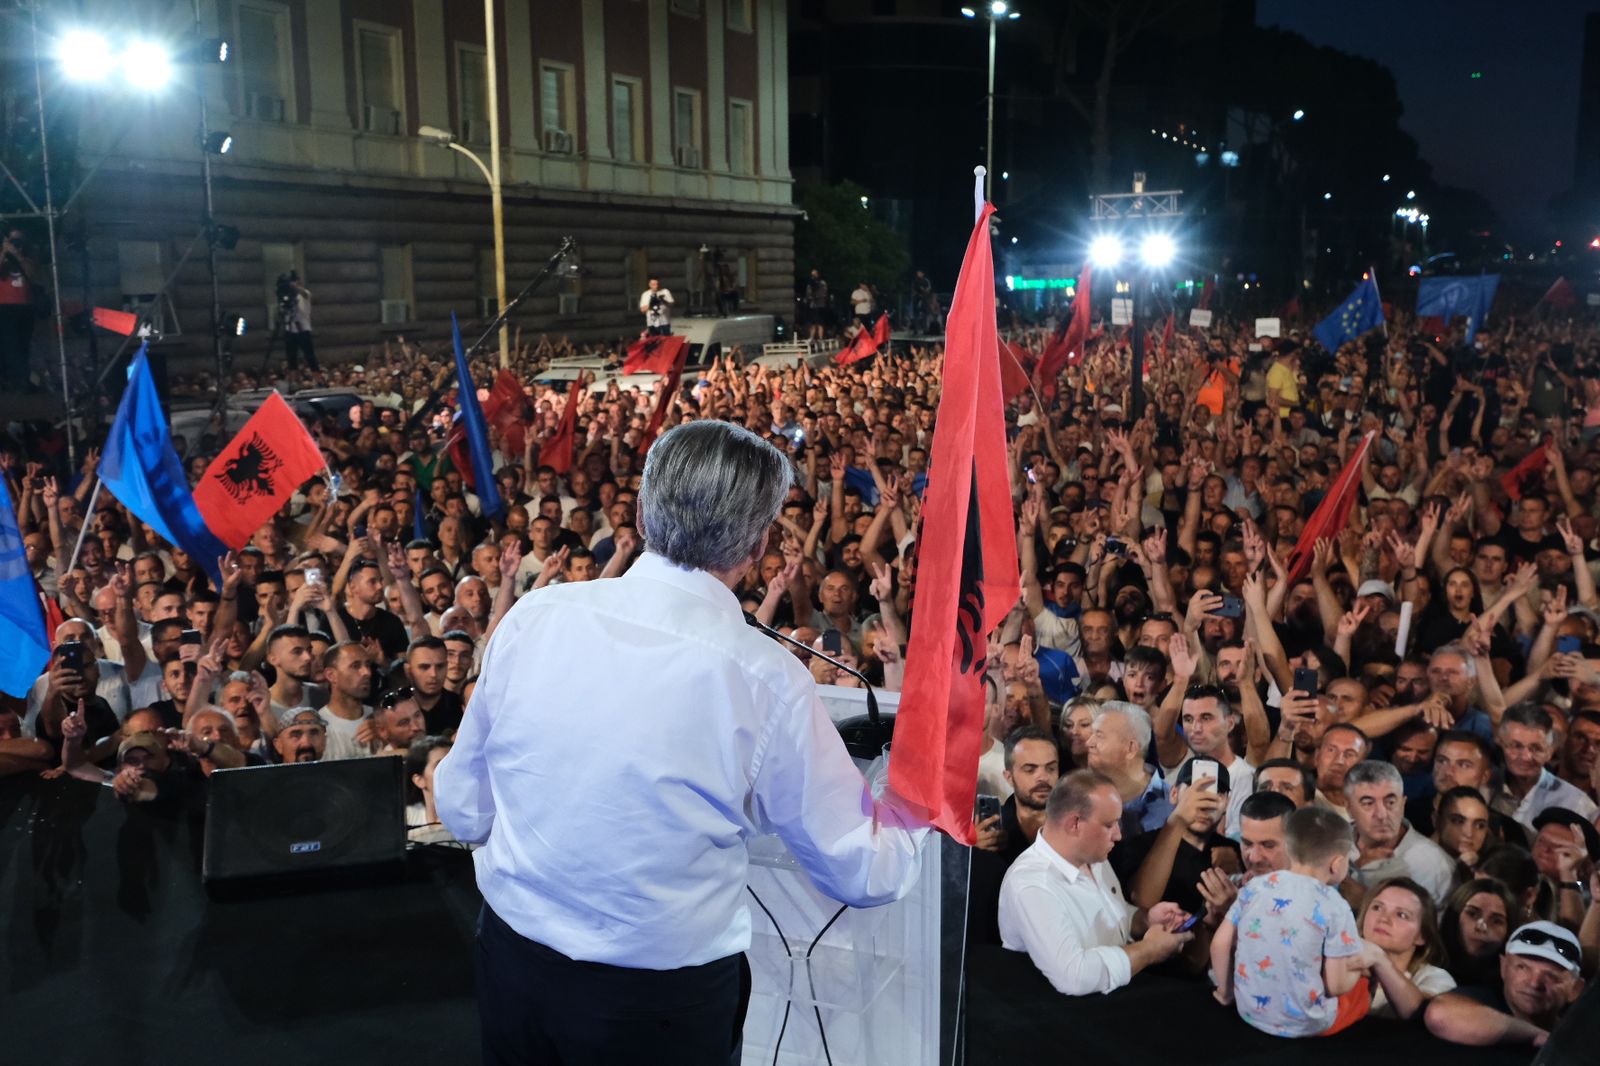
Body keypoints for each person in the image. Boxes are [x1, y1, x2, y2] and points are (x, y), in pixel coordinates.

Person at [434, 421, 931, 1065]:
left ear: (639, 514)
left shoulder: (536, 616)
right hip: (659, 1006)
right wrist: (919, 798)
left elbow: (464, 804)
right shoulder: (765, 676)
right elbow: (864, 868)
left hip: (513, 961)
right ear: (757, 547)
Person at [998, 769, 1194, 996]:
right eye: (1109, 825)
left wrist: (1144, 919)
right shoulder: (1033, 885)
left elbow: (1112, 922)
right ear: (1074, 824)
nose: (1118, 835)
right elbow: (1074, 977)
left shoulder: (1093, 856)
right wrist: (1149, 950)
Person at [1212, 806, 1378, 1038]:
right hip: (1309, 1025)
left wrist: (1225, 992)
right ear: (1337, 863)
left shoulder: (1255, 886)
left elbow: (1220, 944)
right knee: (1362, 984)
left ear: (1288, 850)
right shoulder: (1336, 905)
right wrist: (1363, 963)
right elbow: (1337, 985)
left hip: (1248, 1012)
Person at [1424, 921, 1585, 1047]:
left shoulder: (1583, 1036)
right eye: (1522, 968)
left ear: (1576, 989)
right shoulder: (1478, 1001)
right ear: (1504, 967)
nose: (1535, 983)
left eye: (1552, 977)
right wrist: (1537, 1036)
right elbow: (1439, 1015)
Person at [1344, 760, 1457, 906]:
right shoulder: (1328, 843)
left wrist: (1367, 904)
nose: (1382, 814)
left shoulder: (1435, 867)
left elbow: (1436, 928)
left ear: (1403, 804)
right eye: (1368, 803)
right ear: (1349, 808)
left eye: (1390, 802)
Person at [1355, 877, 1457, 1019]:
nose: (1383, 918)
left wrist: (1380, 960)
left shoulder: (1435, 978)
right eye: (1377, 907)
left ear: (1421, 935)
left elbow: (1423, 1014)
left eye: (1401, 915)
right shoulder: (1335, 965)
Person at [0, 225, 42, 390]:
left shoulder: (28, 257)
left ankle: (22, 379)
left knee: (23, 345)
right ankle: (9, 380)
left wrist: (17, 254)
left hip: (25, 307)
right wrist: (5, 250)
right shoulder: (3, 255)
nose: (15, 243)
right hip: (4, 307)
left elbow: (32, 274)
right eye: (12, 239)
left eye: (18, 240)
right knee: (8, 345)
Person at [280, 271, 318, 372]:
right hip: (290, 329)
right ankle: (293, 379)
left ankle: (317, 378)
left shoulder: (304, 295)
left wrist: (295, 286)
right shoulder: (286, 297)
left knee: (310, 356)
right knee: (291, 358)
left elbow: (305, 294)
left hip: (303, 329)